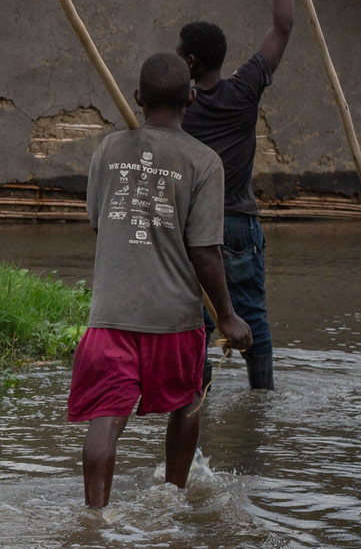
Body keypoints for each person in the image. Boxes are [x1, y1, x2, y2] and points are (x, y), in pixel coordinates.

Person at [72, 53, 253, 508]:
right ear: (191, 97)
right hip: (174, 317)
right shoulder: (204, 161)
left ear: (138, 98)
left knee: (105, 421)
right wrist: (228, 316)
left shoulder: (108, 150)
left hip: (110, 315)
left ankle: (95, 519)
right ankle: (174, 496)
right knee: (188, 401)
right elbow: (205, 251)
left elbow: (98, 221)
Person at [180, 0, 295, 392]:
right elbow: (282, 27)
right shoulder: (244, 89)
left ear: (189, 63)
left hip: (195, 227)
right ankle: (261, 402)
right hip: (240, 225)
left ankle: (194, 404)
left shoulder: (178, 105)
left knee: (199, 324)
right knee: (253, 317)